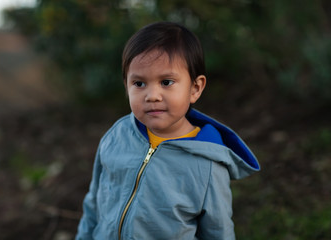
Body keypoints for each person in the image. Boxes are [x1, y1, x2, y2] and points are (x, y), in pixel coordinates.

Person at [76, 22, 260, 240]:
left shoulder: (208, 164)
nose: (152, 95)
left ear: (195, 88)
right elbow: (95, 202)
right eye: (139, 84)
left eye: (166, 82)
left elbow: (217, 232)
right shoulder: (117, 136)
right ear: (126, 85)